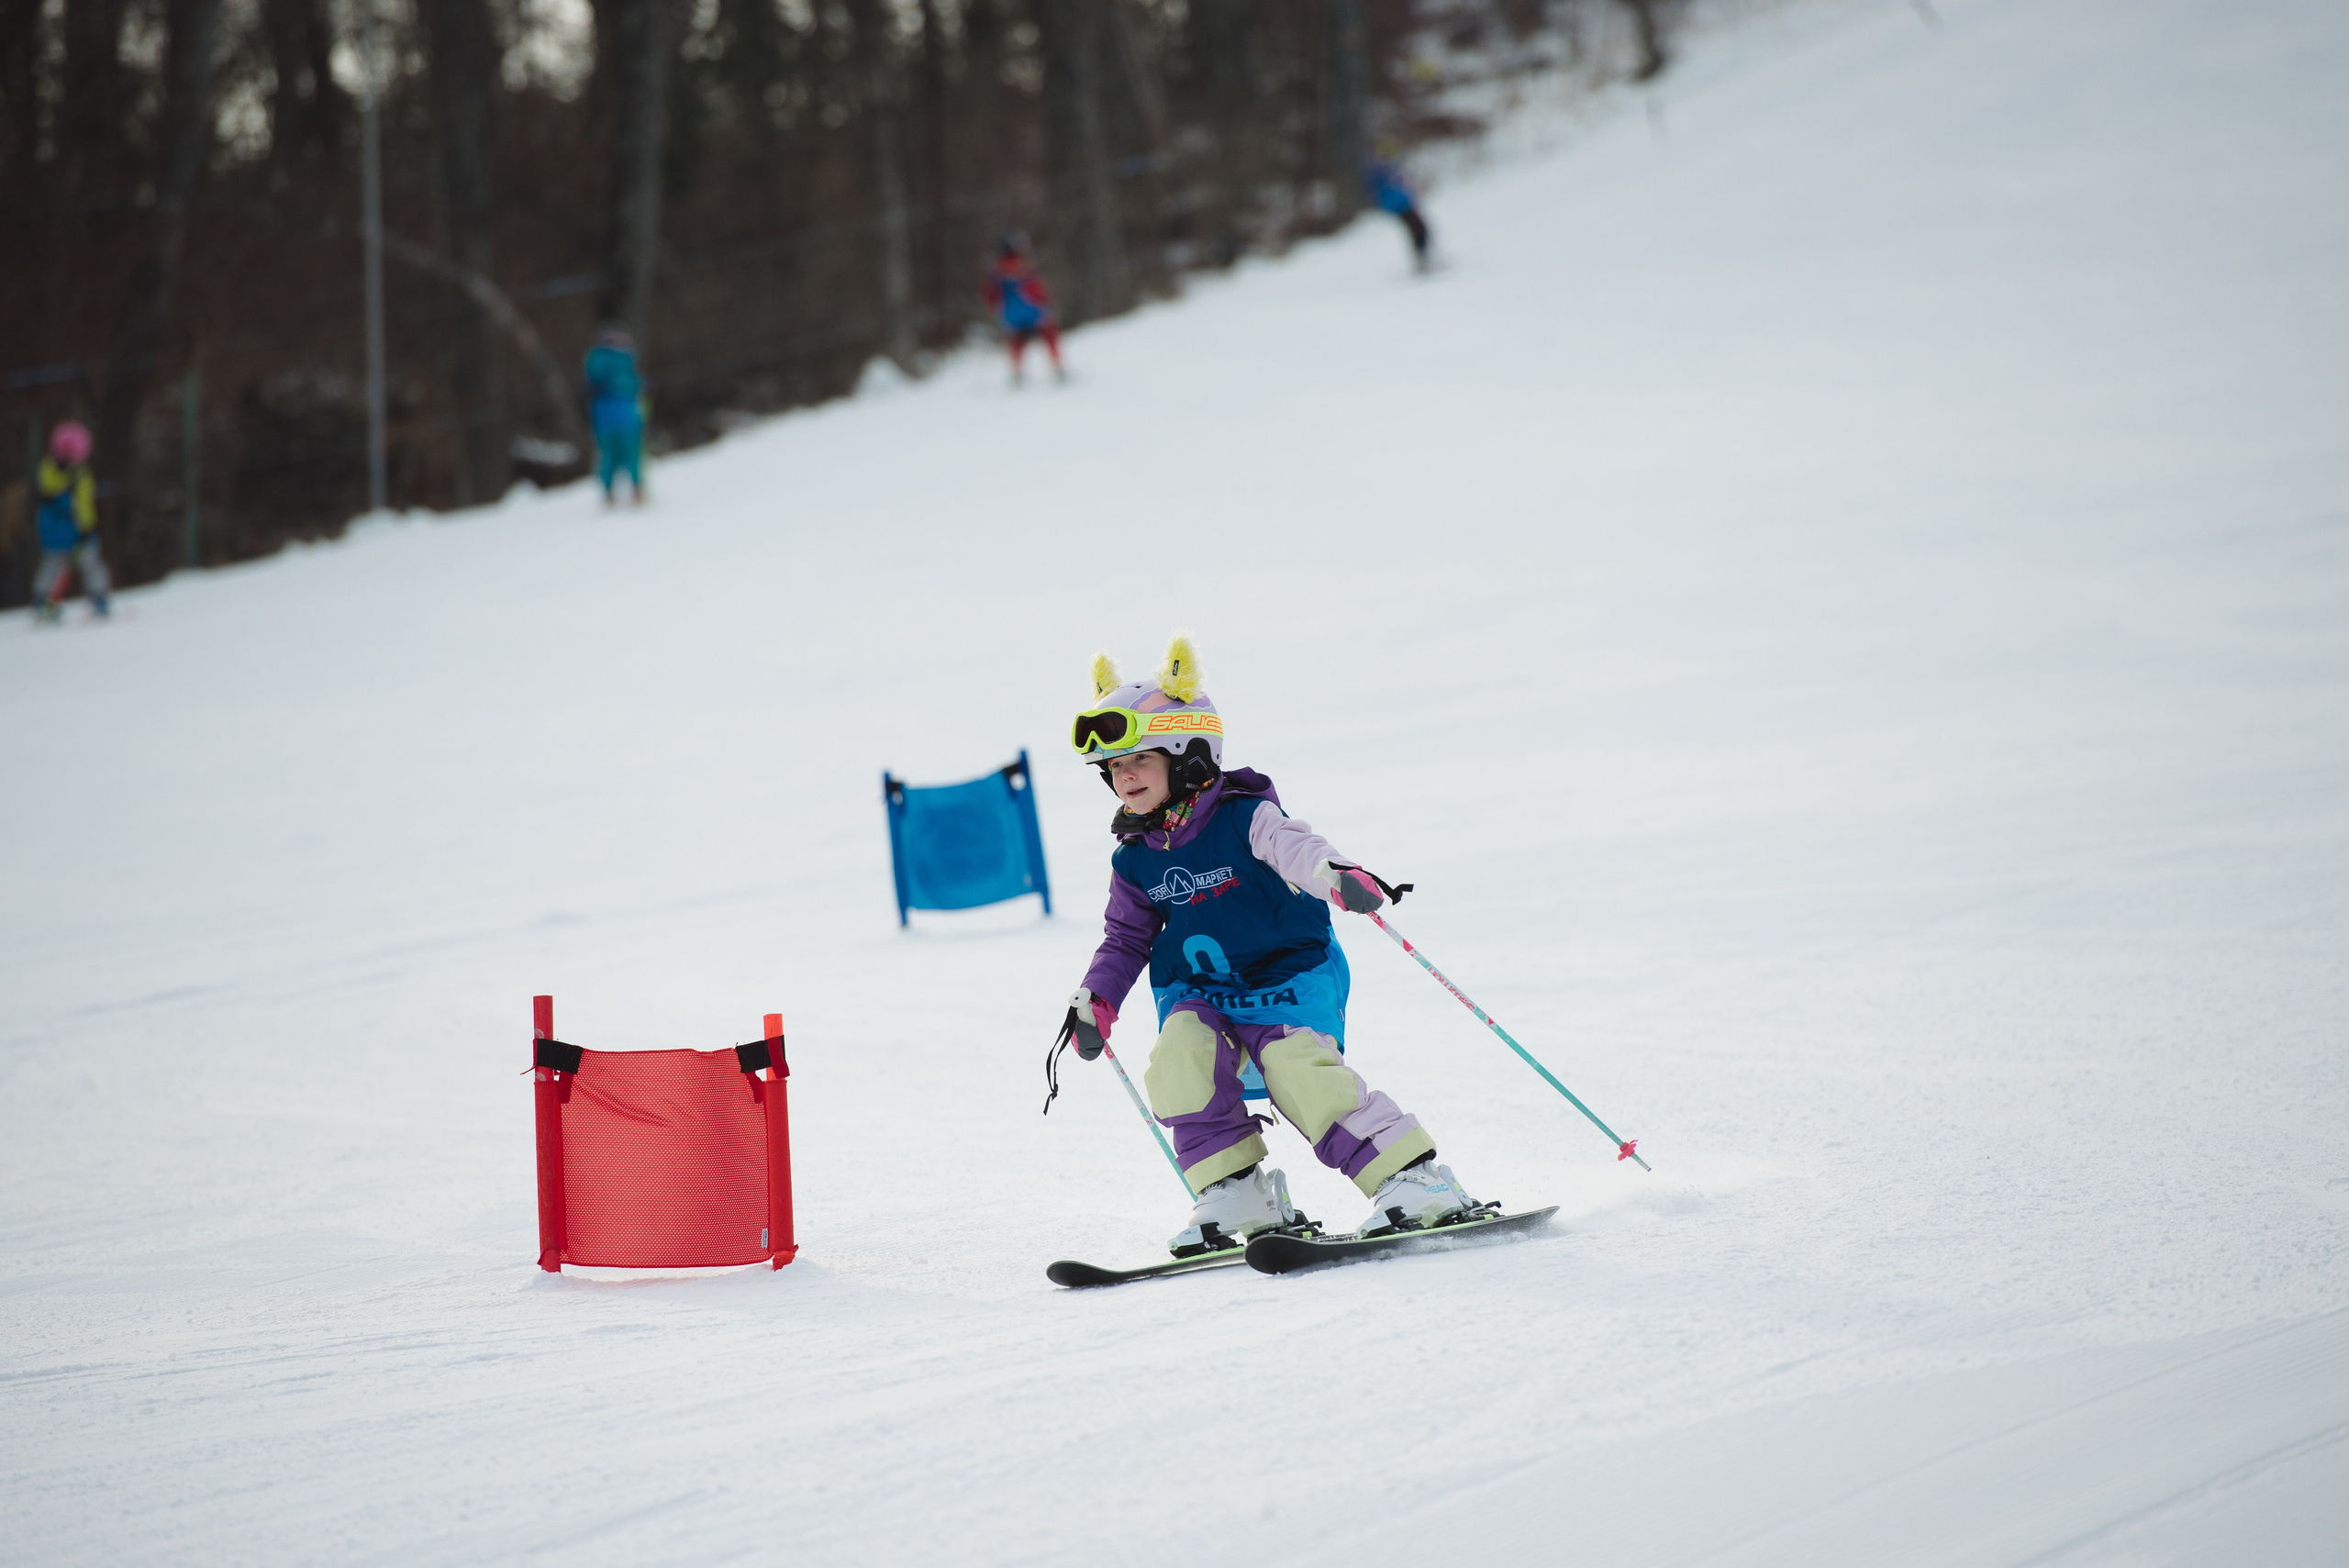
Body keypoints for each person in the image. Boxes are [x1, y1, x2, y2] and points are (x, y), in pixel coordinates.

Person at [1054, 634, 1475, 1255]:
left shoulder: (1244, 816)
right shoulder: (1135, 859)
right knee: (1178, 1060)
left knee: (1297, 1068)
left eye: (1140, 759)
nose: (1125, 776)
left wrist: (1336, 876)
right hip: (1202, 993)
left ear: (1189, 755)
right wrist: (1098, 1000)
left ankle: (1414, 1179)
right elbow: (1124, 939)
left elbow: (1295, 848)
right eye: (1115, 767)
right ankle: (1237, 1191)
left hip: (1289, 978)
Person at [31, 421, 109, 623]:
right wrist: (87, 527)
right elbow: (83, 504)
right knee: (67, 565)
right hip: (65, 530)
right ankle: (46, 602)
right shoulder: (71, 473)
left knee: (71, 565)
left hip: (60, 531)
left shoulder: (48, 470)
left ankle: (96, 598)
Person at [983, 231, 1064, 385]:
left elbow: (991, 299)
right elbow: (1037, 292)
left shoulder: (995, 274)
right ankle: (1058, 368)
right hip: (1033, 313)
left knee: (1016, 343)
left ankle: (1017, 374)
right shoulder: (1025, 269)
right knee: (1050, 334)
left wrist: (999, 313)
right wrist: (1047, 305)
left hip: (1010, 317)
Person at [583, 327, 648, 506]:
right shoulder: (624, 362)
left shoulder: (593, 361)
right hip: (628, 418)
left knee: (608, 457)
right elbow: (635, 386)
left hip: (604, 421)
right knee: (632, 455)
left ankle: (608, 493)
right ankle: (637, 490)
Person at [1364, 146, 1433, 272]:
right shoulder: (1378, 170)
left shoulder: (1384, 168)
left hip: (1400, 202)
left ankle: (1424, 257)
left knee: (1418, 228)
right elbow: (1385, 188)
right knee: (1418, 227)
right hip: (1397, 204)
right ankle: (1422, 260)